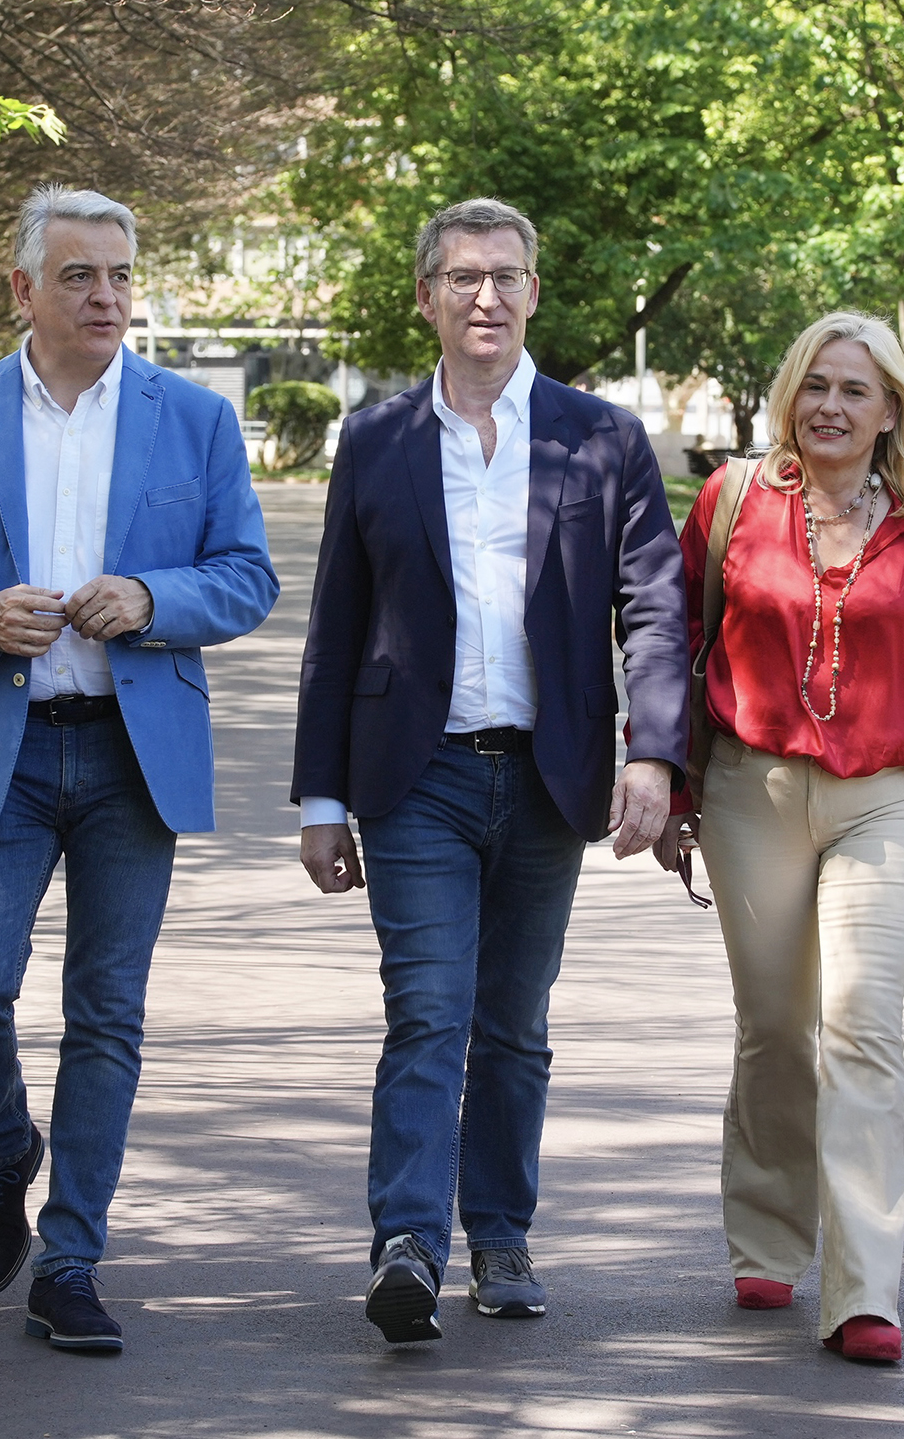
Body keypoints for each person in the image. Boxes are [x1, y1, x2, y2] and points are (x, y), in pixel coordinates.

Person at [0, 186, 279, 1354]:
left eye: (119, 277)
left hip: (128, 757)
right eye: (80, 276)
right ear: (23, 290)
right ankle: (5, 1147)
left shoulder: (190, 419)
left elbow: (246, 576)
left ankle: (74, 1256)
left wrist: (152, 598)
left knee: (106, 1014)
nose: (104, 297)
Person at [291, 197, 688, 1344]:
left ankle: (499, 1230)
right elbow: (336, 622)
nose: (486, 297)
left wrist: (651, 753)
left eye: (506, 276)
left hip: (546, 777)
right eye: (462, 277)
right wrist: (322, 797)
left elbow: (654, 609)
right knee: (426, 1010)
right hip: (412, 778)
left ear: (531, 293)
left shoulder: (597, 437)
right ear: (424, 296)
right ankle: (405, 1240)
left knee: (511, 1021)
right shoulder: (375, 440)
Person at [657, 312, 904, 1366]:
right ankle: (764, 1233)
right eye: (814, 386)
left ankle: (861, 1289)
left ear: (891, 408)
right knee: (772, 1025)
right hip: (749, 787)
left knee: (861, 1027)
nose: (830, 408)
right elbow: (670, 638)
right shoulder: (732, 502)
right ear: (786, 397)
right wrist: (667, 778)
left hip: (885, 797)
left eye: (854, 390)